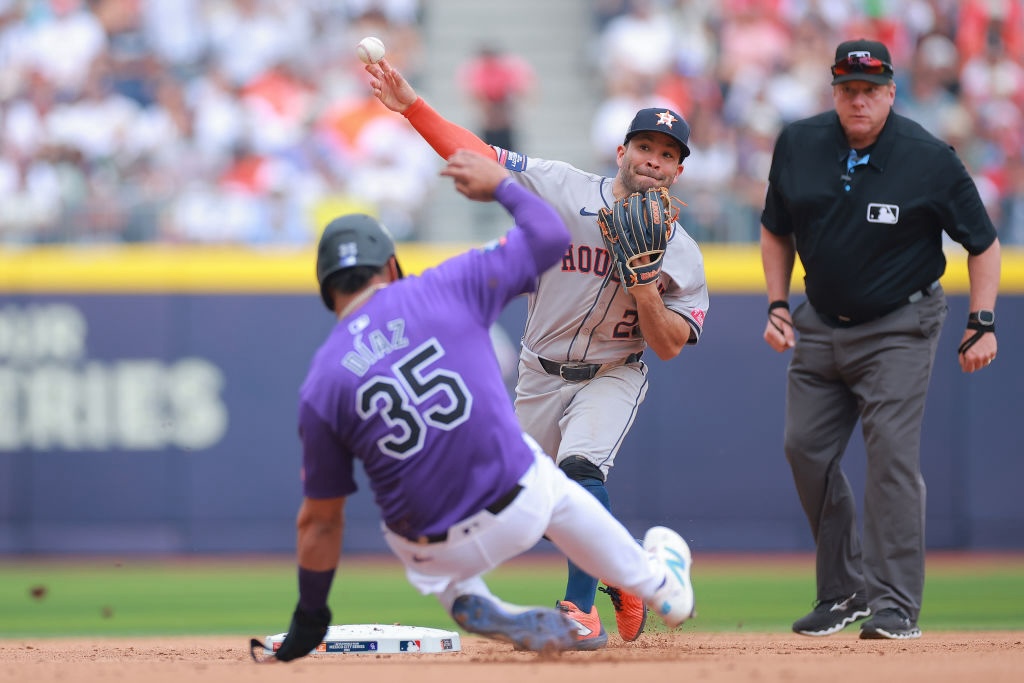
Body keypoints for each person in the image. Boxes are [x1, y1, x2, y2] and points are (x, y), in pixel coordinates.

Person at [262, 150, 696, 662]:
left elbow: (319, 522)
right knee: (561, 485)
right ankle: (660, 586)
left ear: (325, 291)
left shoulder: (322, 381)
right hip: (517, 504)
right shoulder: (442, 288)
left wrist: (310, 617)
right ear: (391, 265)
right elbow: (552, 238)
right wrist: (503, 188)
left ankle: (466, 596)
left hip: (427, 547)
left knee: (421, 542)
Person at [365, 58, 708, 649]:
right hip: (538, 372)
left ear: (678, 169)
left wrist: (645, 282)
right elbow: (482, 156)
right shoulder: (565, 187)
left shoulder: (682, 253)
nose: (653, 159)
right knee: (519, 504)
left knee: (579, 473)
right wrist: (413, 107)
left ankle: (581, 608)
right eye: (644, 146)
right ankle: (623, 570)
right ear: (622, 151)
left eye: (666, 153)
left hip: (611, 374)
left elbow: (670, 348)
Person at [760, 39, 1001, 640]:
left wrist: (983, 321)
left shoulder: (928, 156)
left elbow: (984, 243)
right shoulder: (799, 143)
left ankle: (896, 605)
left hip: (900, 324)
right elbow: (774, 230)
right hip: (819, 321)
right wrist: (777, 302)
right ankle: (844, 592)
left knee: (890, 458)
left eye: (870, 89)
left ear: (892, 92)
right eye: (848, 88)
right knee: (804, 450)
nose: (858, 99)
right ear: (834, 92)